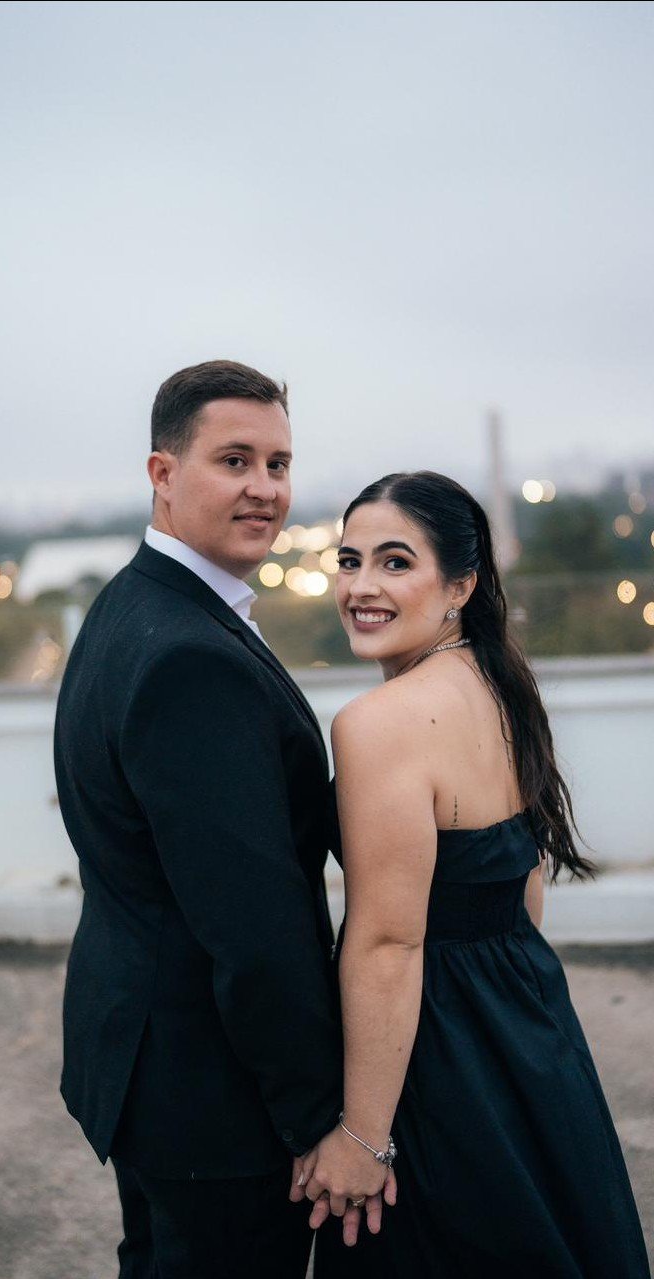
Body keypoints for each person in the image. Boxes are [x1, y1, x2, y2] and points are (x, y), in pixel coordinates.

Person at [295, 471, 650, 1278]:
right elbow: (525, 888)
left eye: (394, 562)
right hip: (527, 1028)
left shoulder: (377, 723)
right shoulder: (501, 685)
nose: (361, 587)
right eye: (349, 561)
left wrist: (363, 1136)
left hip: (434, 1053)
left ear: (461, 584)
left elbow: (388, 941)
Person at [54, 360, 355, 1278]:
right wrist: (316, 1116)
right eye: (235, 460)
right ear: (163, 472)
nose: (265, 488)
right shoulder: (190, 655)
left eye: (278, 463)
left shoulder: (133, 603)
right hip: (214, 1099)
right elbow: (252, 924)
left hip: (152, 1066)